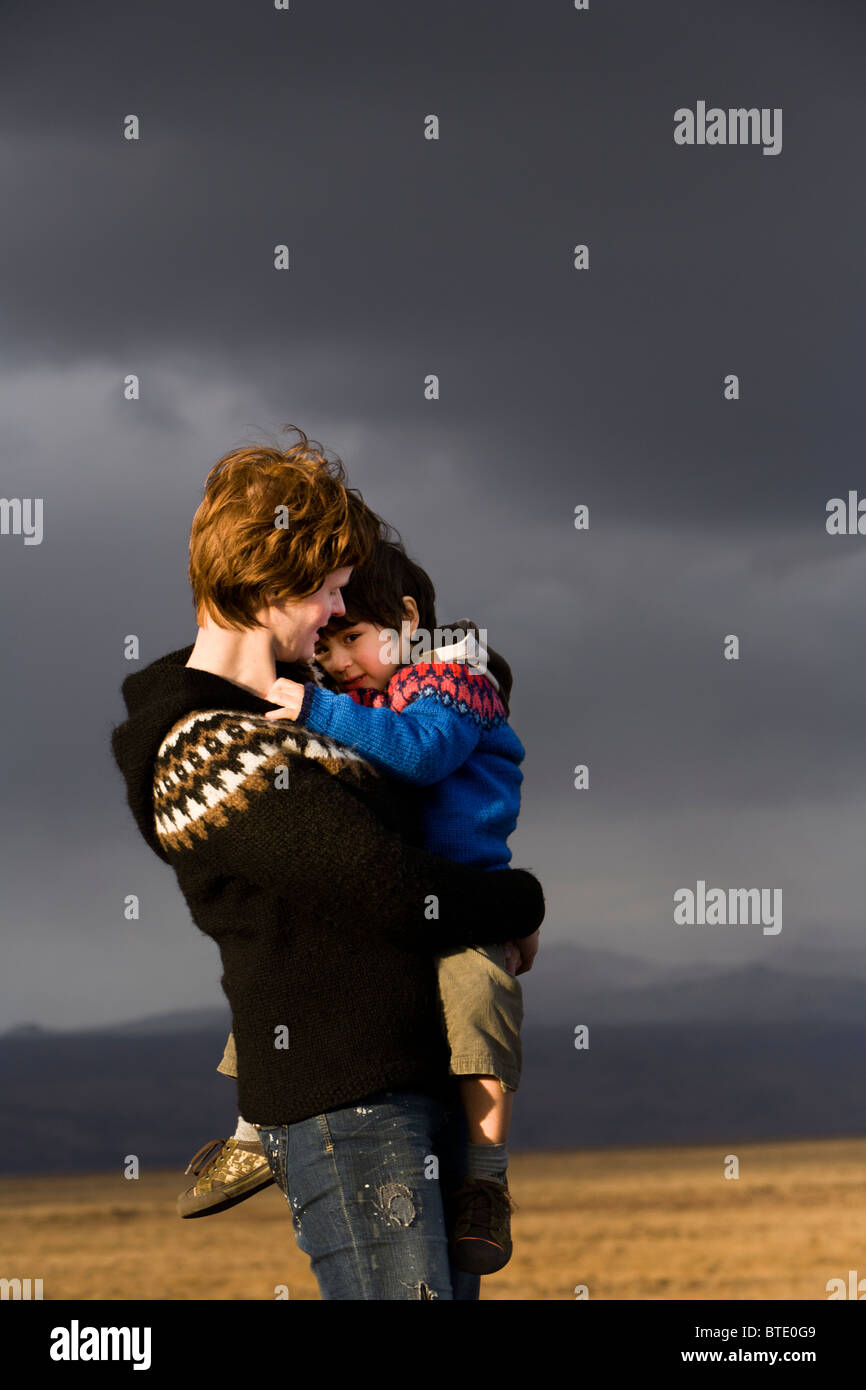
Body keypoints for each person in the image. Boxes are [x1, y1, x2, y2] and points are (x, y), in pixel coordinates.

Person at [110, 427, 545, 1300]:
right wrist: (517, 900)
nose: (333, 618)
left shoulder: (297, 713)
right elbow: (388, 890)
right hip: (346, 1100)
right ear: (277, 582)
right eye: (332, 594)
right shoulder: (208, 745)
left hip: (408, 1080)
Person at [195, 537, 529, 1274]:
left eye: (352, 637)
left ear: (408, 619)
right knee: (280, 978)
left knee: (478, 1006)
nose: (338, 658)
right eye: (330, 642)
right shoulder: (368, 698)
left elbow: (419, 755)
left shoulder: (453, 681)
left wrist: (312, 704)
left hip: (465, 899)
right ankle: (254, 1133)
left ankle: (485, 1180)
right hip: (396, 904)